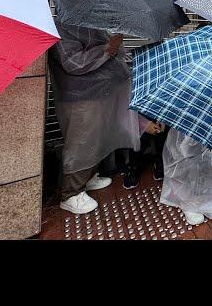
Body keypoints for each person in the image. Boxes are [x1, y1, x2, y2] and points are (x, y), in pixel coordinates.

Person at [49, 23, 143, 214]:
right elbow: (73, 63)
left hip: (96, 92)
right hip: (80, 96)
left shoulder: (90, 24)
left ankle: (86, 178)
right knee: (80, 142)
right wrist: (109, 48)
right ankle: (70, 194)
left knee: (94, 139)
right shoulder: (64, 28)